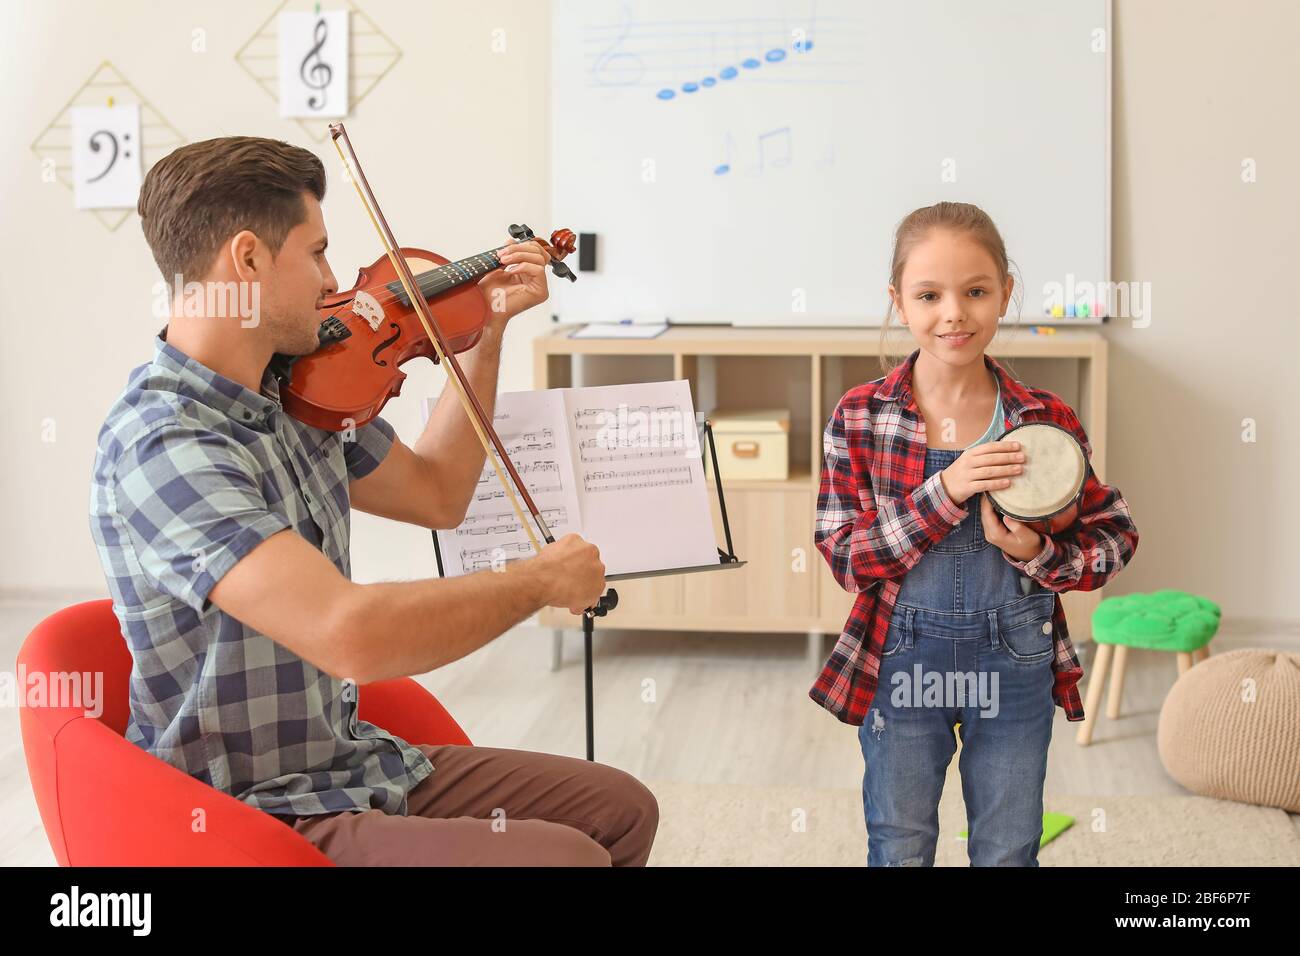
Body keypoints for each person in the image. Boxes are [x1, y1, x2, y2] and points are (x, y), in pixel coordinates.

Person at [88, 136, 657, 866]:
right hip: (248, 809)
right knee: (564, 858)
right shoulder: (165, 444)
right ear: (248, 260)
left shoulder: (296, 393)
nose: (336, 282)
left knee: (620, 810)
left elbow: (439, 494)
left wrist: (485, 334)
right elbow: (347, 634)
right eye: (317, 252)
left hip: (346, 764)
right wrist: (537, 582)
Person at [812, 201, 1139, 866]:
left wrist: (1040, 554)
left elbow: (1116, 536)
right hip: (901, 657)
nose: (953, 314)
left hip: (1015, 657)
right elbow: (848, 557)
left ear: (1005, 295)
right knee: (899, 841)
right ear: (898, 302)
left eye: (976, 291)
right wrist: (947, 490)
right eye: (929, 295)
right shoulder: (861, 417)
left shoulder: (1044, 419)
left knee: (1009, 846)